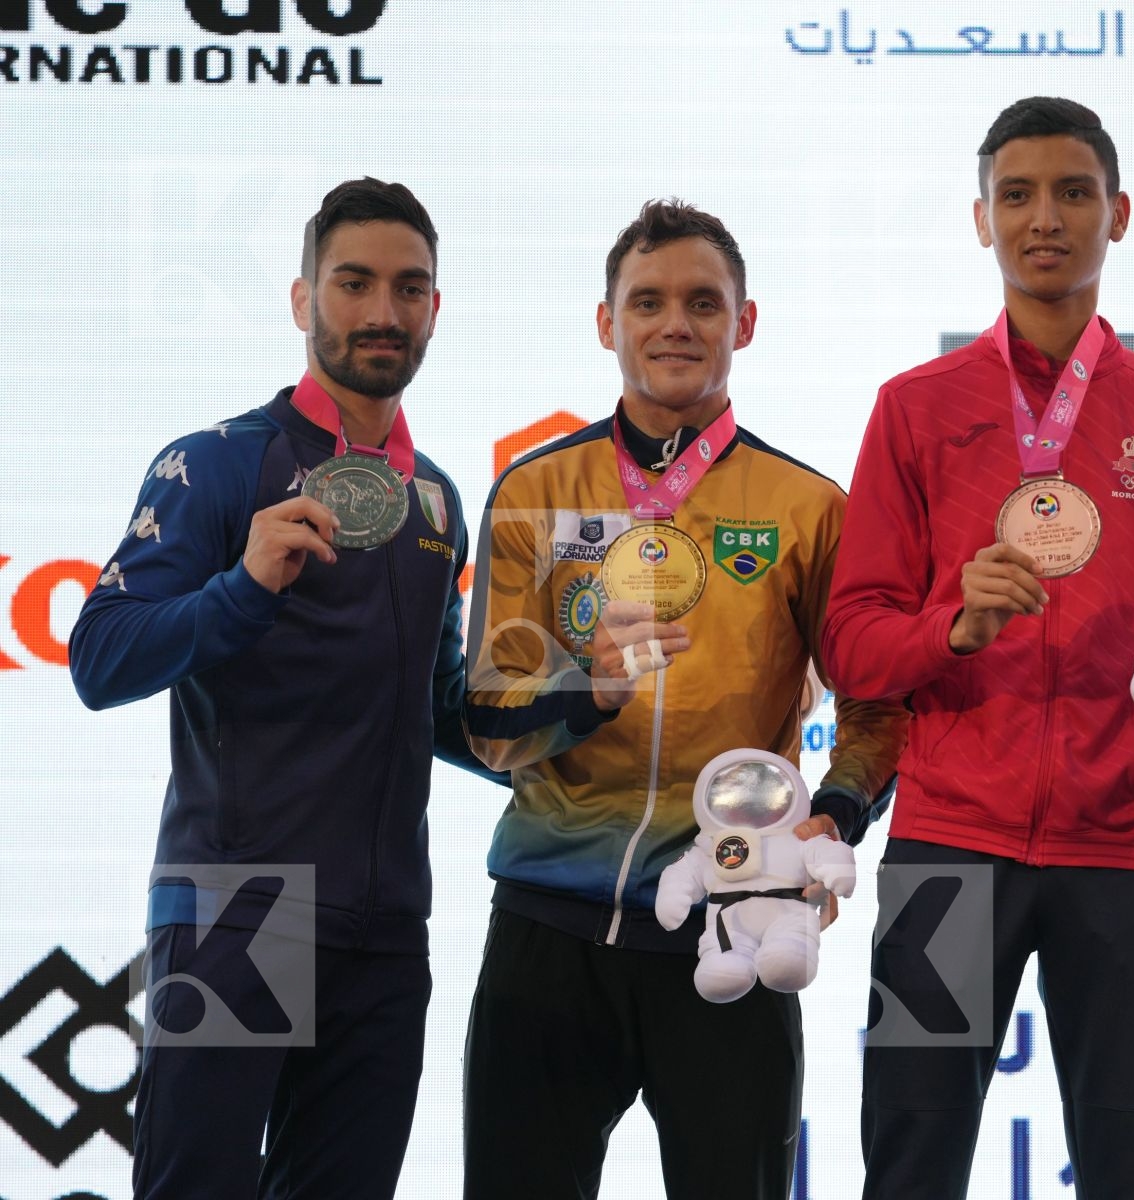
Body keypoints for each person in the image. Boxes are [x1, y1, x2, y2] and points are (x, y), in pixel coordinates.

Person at [822, 97, 1134, 1198]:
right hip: (950, 842)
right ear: (981, 219)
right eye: (1016, 195)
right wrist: (950, 628)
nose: (1043, 218)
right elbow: (853, 648)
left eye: (1072, 193)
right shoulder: (915, 409)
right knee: (911, 1165)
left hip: (1125, 845)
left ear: (1119, 213)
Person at [461, 198, 908, 1200]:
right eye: (648, 302)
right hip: (547, 935)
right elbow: (487, 722)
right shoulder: (534, 490)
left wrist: (833, 818)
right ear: (606, 322)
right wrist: (586, 690)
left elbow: (878, 711)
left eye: (703, 303)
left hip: (731, 926)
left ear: (743, 322)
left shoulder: (809, 509)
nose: (676, 324)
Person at [69, 177, 497, 1199]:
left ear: (436, 309)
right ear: (303, 298)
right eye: (354, 283)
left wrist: (582, 712)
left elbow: (436, 708)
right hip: (238, 909)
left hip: (386, 930)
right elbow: (100, 658)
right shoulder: (218, 464)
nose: (383, 311)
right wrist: (244, 587)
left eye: (408, 288)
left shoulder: (437, 498)